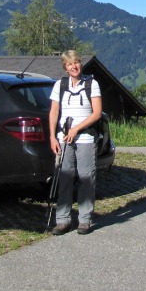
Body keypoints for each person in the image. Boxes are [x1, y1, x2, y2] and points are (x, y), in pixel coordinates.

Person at [48, 50, 103, 235]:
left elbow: (96, 113)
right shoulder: (60, 85)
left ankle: (84, 220)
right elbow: (54, 112)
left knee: (86, 178)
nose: (74, 66)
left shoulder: (92, 84)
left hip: (86, 138)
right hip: (64, 139)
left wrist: (76, 129)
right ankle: (63, 220)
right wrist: (52, 137)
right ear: (65, 67)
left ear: (81, 64)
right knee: (64, 178)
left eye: (76, 62)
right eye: (70, 64)